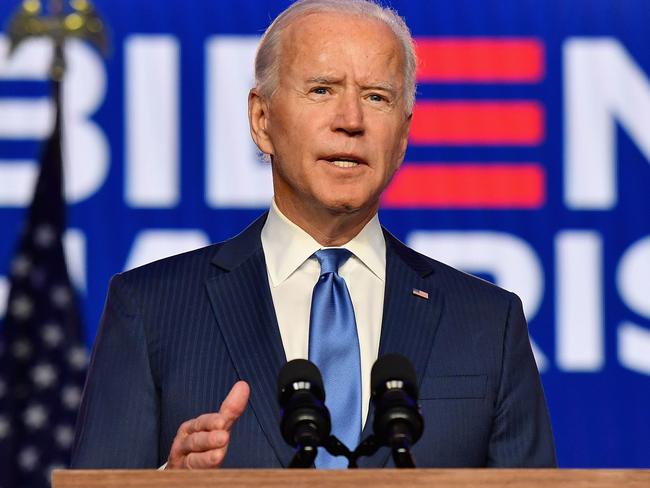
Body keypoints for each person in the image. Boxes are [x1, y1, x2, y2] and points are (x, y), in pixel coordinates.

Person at [71, 0, 556, 469]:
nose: (350, 121)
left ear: (403, 136)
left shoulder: (489, 323)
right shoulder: (152, 308)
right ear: (262, 122)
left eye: (376, 97)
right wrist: (164, 486)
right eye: (322, 90)